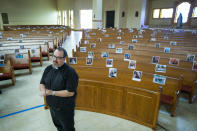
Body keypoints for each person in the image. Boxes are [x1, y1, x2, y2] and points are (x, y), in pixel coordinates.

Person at [40, 47, 79, 131]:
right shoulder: (48, 68)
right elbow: (42, 82)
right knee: (58, 126)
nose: (55, 59)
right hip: (52, 107)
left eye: (58, 58)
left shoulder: (70, 72)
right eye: (54, 56)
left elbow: (70, 92)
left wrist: (51, 92)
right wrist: (43, 90)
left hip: (65, 109)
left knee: (68, 128)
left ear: (64, 59)